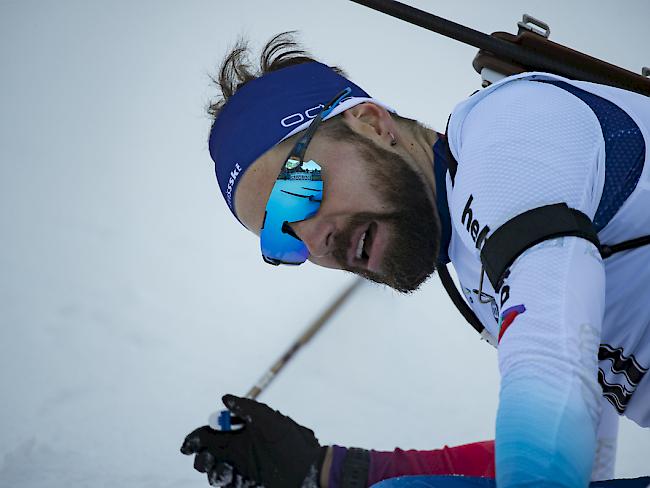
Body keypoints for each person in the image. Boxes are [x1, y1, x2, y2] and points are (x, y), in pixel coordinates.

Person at [180, 32, 650, 487]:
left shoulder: (508, 131)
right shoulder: (471, 261)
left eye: (297, 191)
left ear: (372, 124)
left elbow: (548, 379)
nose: (315, 243)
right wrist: (326, 471)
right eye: (281, 239)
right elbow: (579, 455)